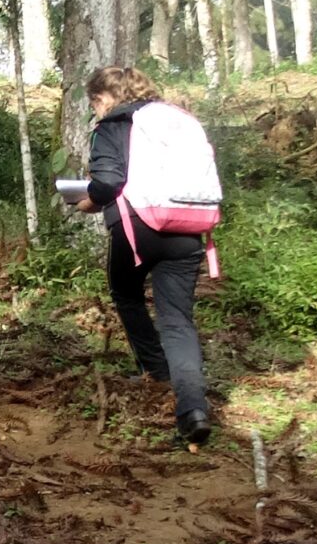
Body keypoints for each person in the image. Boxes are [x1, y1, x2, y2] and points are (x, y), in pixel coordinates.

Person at [80, 65, 216, 447]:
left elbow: (108, 182)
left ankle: (156, 372)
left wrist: (90, 201)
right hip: (189, 226)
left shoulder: (115, 123)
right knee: (177, 320)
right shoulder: (179, 118)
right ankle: (193, 410)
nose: (96, 108)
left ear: (105, 97)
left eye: (96, 101)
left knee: (126, 292)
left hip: (140, 226)